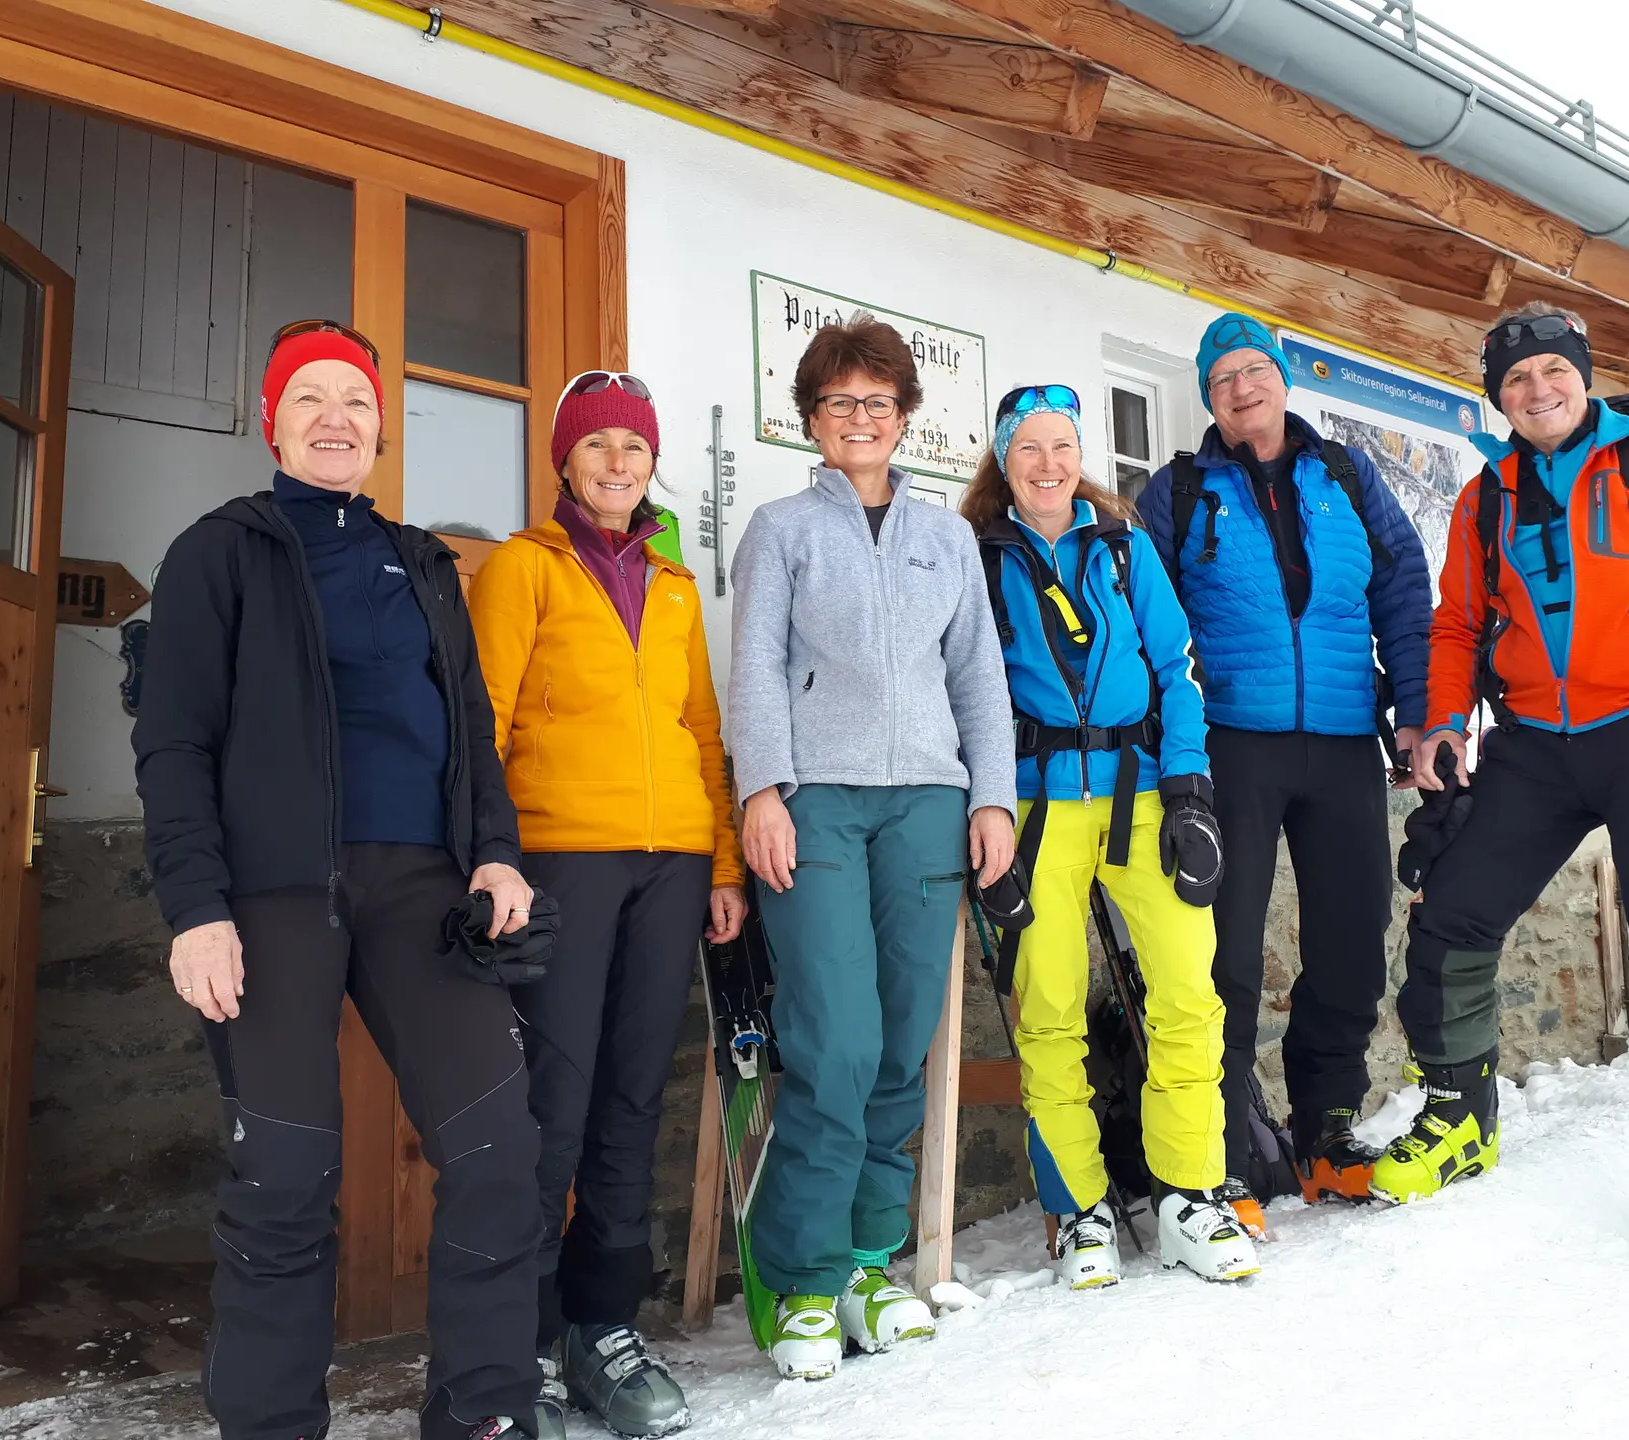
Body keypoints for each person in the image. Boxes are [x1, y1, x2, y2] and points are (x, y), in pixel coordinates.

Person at [133, 319, 553, 1440]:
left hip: (422, 890)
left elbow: (470, 725)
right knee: (280, 1177)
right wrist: (197, 911)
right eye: (309, 397)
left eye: (355, 401)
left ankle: (482, 1414)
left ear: (378, 428)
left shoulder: (419, 562)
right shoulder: (219, 552)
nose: (334, 417)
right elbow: (172, 744)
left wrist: (496, 850)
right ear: (273, 421)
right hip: (271, 897)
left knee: (501, 1152)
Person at [1374, 303, 1629, 1271]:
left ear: (1581, 376)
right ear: (1497, 398)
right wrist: (1442, 724)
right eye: (1515, 381)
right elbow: (1458, 621)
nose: (1537, 391)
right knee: (1450, 914)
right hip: (1534, 745)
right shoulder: (1486, 497)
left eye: (1553, 371)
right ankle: (1460, 1116)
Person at [729, 313, 1016, 1381]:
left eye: (880, 403)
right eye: (842, 401)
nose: (861, 418)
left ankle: (866, 1264)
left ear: (905, 419)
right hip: (820, 807)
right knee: (836, 1039)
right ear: (813, 417)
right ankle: (804, 1279)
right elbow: (752, 667)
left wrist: (993, 800)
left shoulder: (947, 540)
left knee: (904, 1042)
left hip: (929, 807)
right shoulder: (781, 529)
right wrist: (762, 789)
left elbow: (979, 677)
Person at [469, 371, 745, 1436]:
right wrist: (490, 857)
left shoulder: (674, 583)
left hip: (670, 863)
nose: (620, 463)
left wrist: (720, 863)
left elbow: (699, 730)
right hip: (561, 862)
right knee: (557, 1099)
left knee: (635, 1093)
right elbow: (483, 720)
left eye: (635, 447)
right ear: (566, 462)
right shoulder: (522, 570)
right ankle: (525, 1340)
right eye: (600, 447)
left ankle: (601, 1329)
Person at [1136, 313, 1434, 1234]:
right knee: (1219, 948)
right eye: (1221, 378)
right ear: (1208, 398)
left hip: (1346, 738)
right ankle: (1220, 1143)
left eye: (1255, 370)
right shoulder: (1176, 494)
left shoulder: (1347, 475)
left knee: (1351, 934)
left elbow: (1402, 590)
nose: (1241, 389)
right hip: (1232, 742)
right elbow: (1150, 624)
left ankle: (1326, 1128)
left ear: (1285, 378)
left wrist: (1417, 714)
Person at [963, 383, 1258, 1287]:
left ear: (1078, 456)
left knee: (1187, 994)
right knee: (1047, 1010)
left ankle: (1189, 1195)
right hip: (1038, 807)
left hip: (1141, 797)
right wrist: (985, 815)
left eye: (1062, 446)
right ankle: (1080, 1208)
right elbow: (965, 695)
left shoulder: (1125, 548)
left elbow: (1175, 667)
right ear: (1004, 463)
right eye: (1029, 450)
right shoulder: (976, 558)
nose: (1049, 465)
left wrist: (1191, 792)